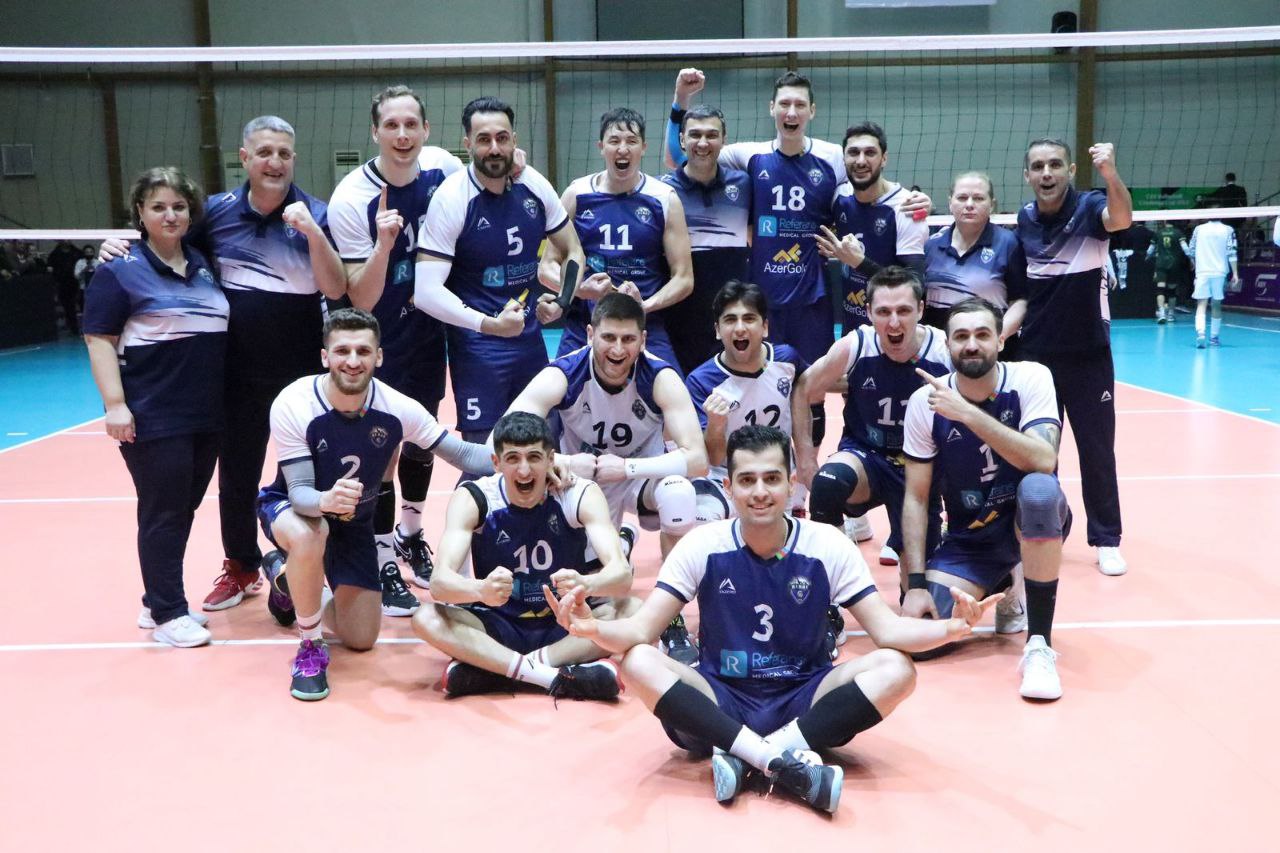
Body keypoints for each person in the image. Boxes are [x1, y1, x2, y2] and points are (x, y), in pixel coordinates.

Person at [546, 425, 1000, 813]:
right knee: (638, 660)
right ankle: (778, 760)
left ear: (791, 483)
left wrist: (952, 628)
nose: (759, 492)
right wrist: (593, 629)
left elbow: (888, 630)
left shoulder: (827, 545)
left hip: (804, 695)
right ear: (729, 488)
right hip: (720, 697)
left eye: (771, 478)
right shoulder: (703, 544)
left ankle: (750, 755)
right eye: (747, 480)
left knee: (897, 669)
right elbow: (641, 630)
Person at [99, 115, 347, 617]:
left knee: (311, 471)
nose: (274, 162)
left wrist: (312, 233)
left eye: (283, 153)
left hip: (302, 370)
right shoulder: (213, 213)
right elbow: (166, 244)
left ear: (294, 160)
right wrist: (120, 245)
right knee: (236, 475)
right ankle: (242, 565)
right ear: (245, 158)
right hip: (233, 371)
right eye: (264, 153)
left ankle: (317, 562)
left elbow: (338, 288)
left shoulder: (317, 213)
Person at [256, 308, 498, 701]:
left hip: (353, 524)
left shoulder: (397, 407)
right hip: (293, 510)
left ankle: (287, 580)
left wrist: (542, 459)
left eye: (363, 351)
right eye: (342, 351)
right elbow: (299, 493)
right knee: (310, 533)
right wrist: (326, 500)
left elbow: (465, 455)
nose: (353, 361)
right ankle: (310, 646)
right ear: (325, 356)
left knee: (361, 638)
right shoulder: (295, 402)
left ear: (379, 357)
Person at [83, 167, 227, 648]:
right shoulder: (118, 269)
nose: (170, 215)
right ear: (140, 213)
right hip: (154, 413)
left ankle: (157, 599)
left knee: (182, 508)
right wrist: (115, 405)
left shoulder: (202, 262)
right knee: (163, 511)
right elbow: (99, 339)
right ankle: (168, 613)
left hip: (205, 411)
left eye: (179, 206)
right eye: (159, 207)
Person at [329, 85, 462, 604]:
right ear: (375, 132)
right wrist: (384, 244)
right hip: (379, 339)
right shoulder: (352, 198)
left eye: (411, 124)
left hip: (428, 330)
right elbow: (359, 296)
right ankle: (383, 555)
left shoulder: (445, 169)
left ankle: (410, 533)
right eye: (391, 125)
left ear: (426, 129)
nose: (402, 135)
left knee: (422, 439)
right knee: (382, 448)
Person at [900, 297, 1069, 701]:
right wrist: (916, 584)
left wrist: (966, 413)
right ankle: (1004, 582)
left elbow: (1044, 459)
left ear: (1000, 341)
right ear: (947, 346)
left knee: (1039, 491)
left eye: (982, 334)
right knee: (920, 639)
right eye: (961, 336)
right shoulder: (925, 403)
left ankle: (1039, 645)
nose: (972, 344)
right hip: (970, 540)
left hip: (1030, 519)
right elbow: (916, 499)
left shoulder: (1031, 377)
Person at [412, 411, 636, 701]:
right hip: (497, 624)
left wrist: (586, 584)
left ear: (550, 460)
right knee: (426, 618)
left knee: (634, 611)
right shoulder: (475, 498)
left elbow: (622, 576)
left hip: (565, 623)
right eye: (513, 458)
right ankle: (553, 677)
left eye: (533, 457)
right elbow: (439, 583)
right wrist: (480, 590)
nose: (524, 470)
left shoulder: (578, 493)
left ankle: (497, 670)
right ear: (496, 463)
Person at [791, 266, 951, 650]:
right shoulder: (856, 346)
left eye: (903, 311)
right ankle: (828, 603)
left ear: (921, 310)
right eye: (883, 312)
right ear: (868, 313)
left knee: (920, 617)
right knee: (828, 485)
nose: (893, 322)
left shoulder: (944, 351)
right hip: (867, 458)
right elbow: (804, 387)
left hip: (920, 472)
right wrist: (807, 459)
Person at [415, 96, 584, 443]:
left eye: (502, 138)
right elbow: (425, 293)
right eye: (484, 139)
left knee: (543, 442)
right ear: (467, 144)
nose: (494, 148)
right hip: (477, 345)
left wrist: (562, 302)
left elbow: (574, 250)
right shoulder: (452, 198)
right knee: (483, 453)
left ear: (514, 140)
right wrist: (491, 325)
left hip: (529, 341)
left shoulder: (533, 184)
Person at [504, 293, 708, 561]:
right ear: (590, 335)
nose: (618, 350)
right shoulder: (563, 375)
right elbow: (501, 440)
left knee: (678, 493)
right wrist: (565, 462)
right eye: (609, 338)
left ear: (643, 340)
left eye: (628, 339)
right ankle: (622, 541)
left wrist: (627, 468)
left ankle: (672, 584)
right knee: (595, 572)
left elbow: (698, 460)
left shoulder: (661, 379)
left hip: (640, 479)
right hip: (579, 479)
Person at [1016, 138, 1132, 577]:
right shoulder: (1024, 219)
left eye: (1055, 165)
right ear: (1027, 175)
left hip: (1088, 355)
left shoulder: (1089, 207)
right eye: (1038, 166)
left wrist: (1110, 174)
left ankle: (1106, 539)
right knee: (1038, 454)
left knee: (1097, 452)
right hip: (1036, 356)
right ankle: (1047, 528)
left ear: (1069, 171)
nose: (1046, 173)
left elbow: (1121, 219)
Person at [681, 280, 809, 664]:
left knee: (793, 544)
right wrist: (717, 423)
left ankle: (813, 617)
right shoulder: (702, 380)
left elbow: (802, 395)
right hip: (725, 476)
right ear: (717, 329)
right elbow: (711, 456)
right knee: (698, 518)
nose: (740, 328)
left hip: (778, 476)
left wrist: (807, 457)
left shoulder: (786, 359)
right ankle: (712, 617)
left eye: (749, 319)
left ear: (764, 326)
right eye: (730, 320)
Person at [542, 107, 693, 371]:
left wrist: (643, 306)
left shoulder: (664, 198)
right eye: (614, 141)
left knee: (673, 390)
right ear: (601, 147)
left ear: (643, 147)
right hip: (586, 321)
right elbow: (546, 267)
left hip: (643, 322)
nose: (623, 149)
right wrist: (581, 290)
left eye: (631, 141)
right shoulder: (577, 194)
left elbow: (684, 278)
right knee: (558, 390)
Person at [658, 104, 751, 374]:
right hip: (678, 318)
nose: (702, 143)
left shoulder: (744, 184)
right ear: (681, 140)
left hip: (731, 317)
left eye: (711, 135)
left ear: (724, 139)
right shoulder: (662, 190)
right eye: (695, 135)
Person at [815, 121, 930, 331]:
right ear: (844, 158)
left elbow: (915, 286)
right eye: (853, 153)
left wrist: (860, 263)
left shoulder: (905, 209)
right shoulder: (839, 196)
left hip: (893, 329)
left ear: (884, 159)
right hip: (853, 327)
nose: (861, 161)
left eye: (870, 153)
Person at [921, 171, 1027, 341]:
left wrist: (997, 338)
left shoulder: (1009, 243)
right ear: (950, 203)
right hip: (941, 348)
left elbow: (1020, 300)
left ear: (992, 205)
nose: (969, 204)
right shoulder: (931, 246)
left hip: (992, 349)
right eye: (962, 198)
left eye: (978, 198)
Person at [1187, 218, 1238, 348]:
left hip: (1202, 271)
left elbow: (1191, 249)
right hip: (1220, 272)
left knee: (1201, 304)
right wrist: (1235, 273)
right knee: (1216, 305)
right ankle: (1214, 338)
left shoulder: (1199, 229)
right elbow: (1232, 251)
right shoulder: (1228, 229)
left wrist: (1193, 262)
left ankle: (1201, 333)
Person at [1147, 220, 1189, 323]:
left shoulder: (1159, 232)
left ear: (1165, 221)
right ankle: (1170, 314)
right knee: (1172, 290)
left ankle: (1161, 313)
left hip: (1161, 263)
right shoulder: (1178, 233)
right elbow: (1185, 248)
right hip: (1174, 264)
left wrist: (1147, 257)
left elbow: (1150, 250)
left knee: (1160, 288)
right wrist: (1191, 259)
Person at [48, 240, 82, 335]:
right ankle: (73, 327)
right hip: (62, 284)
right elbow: (51, 268)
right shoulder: (54, 254)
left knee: (79, 305)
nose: (67, 240)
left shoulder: (77, 253)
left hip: (77, 283)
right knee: (68, 306)